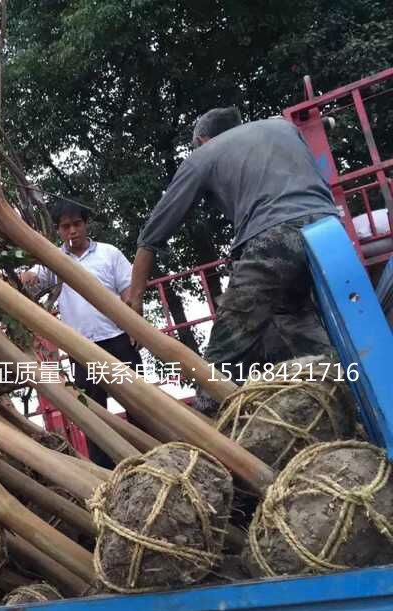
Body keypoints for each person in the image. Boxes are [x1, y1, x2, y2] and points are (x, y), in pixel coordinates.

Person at [125, 107, 339, 410]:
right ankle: (345, 395)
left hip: (274, 237)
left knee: (227, 348)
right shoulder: (283, 129)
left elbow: (154, 232)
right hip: (330, 228)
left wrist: (135, 294)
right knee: (294, 317)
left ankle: (209, 426)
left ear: (202, 140)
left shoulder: (204, 154)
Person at [20, 198, 141, 468]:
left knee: (140, 406)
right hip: (81, 350)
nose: (72, 231)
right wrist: (20, 275)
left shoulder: (109, 253)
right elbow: (32, 280)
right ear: (58, 231)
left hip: (118, 340)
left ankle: (153, 455)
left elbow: (128, 292)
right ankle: (106, 473)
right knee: (94, 417)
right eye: (65, 227)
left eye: (76, 224)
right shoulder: (53, 260)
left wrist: (136, 327)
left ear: (86, 224)